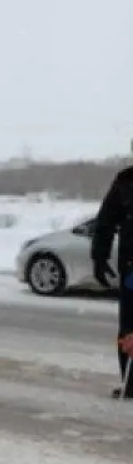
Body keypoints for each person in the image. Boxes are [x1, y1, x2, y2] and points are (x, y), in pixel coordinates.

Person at [90, 146, 133, 398]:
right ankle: (131, 383)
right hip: (131, 268)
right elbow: (105, 221)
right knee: (129, 328)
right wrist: (99, 256)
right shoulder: (126, 181)